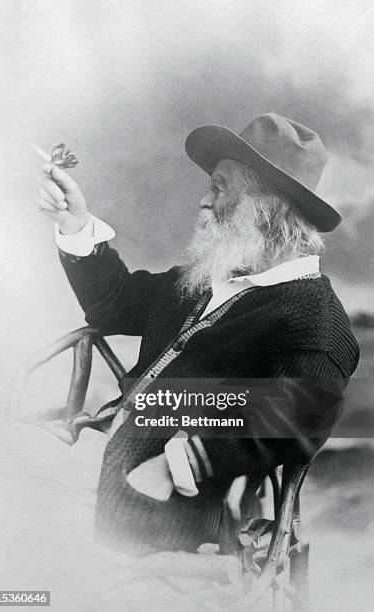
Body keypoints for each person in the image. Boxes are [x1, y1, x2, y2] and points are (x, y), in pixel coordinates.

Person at [37, 113, 359, 555]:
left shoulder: (315, 320)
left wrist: (178, 466)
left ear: (267, 207)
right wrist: (76, 224)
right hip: (90, 458)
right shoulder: (204, 280)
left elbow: (294, 418)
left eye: (220, 187)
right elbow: (117, 301)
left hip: (167, 510)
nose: (203, 201)